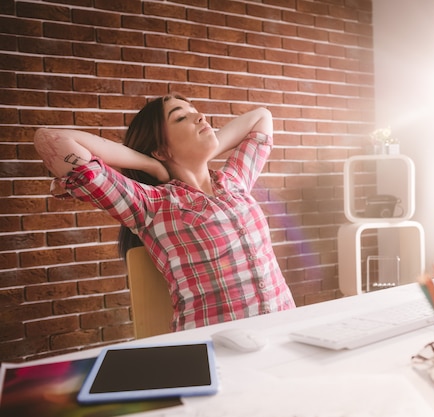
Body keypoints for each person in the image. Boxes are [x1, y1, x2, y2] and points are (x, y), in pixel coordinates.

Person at [33, 94, 296, 331]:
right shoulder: (151, 204)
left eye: (194, 109)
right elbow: (50, 140)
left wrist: (203, 151)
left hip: (285, 331)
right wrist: (151, 164)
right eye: (182, 117)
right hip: (218, 350)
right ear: (161, 149)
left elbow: (262, 117)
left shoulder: (234, 181)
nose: (200, 116)